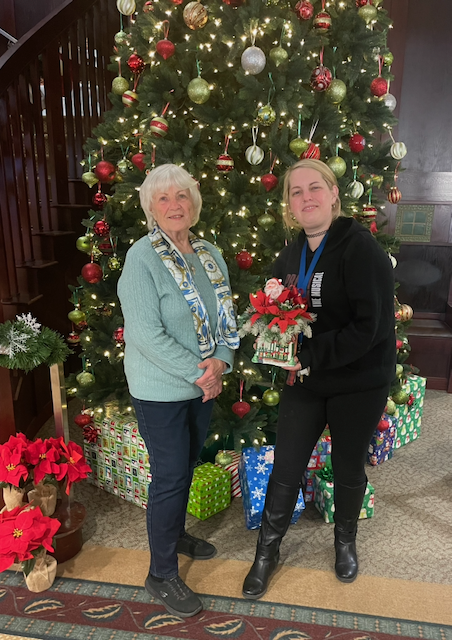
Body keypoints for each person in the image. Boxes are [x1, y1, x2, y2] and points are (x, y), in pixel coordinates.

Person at [242, 158, 396, 599]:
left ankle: (345, 541)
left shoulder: (360, 247)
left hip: (359, 380)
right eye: (296, 191)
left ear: (333, 195)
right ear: (289, 204)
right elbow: (275, 311)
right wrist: (271, 339)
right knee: (286, 464)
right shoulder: (291, 254)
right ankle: (266, 552)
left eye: (315, 188)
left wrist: (307, 356)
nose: (306, 197)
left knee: (347, 466)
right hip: (307, 379)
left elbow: (370, 328)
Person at [117, 164, 239, 617]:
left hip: (200, 386)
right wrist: (201, 373)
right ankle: (161, 573)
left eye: (182, 195)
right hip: (159, 390)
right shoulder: (141, 258)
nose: (174, 205)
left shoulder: (210, 253)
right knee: (169, 477)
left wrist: (221, 361)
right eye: (163, 198)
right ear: (151, 208)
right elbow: (146, 335)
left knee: (186, 467)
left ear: (194, 202)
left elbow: (227, 317)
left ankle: (174, 533)